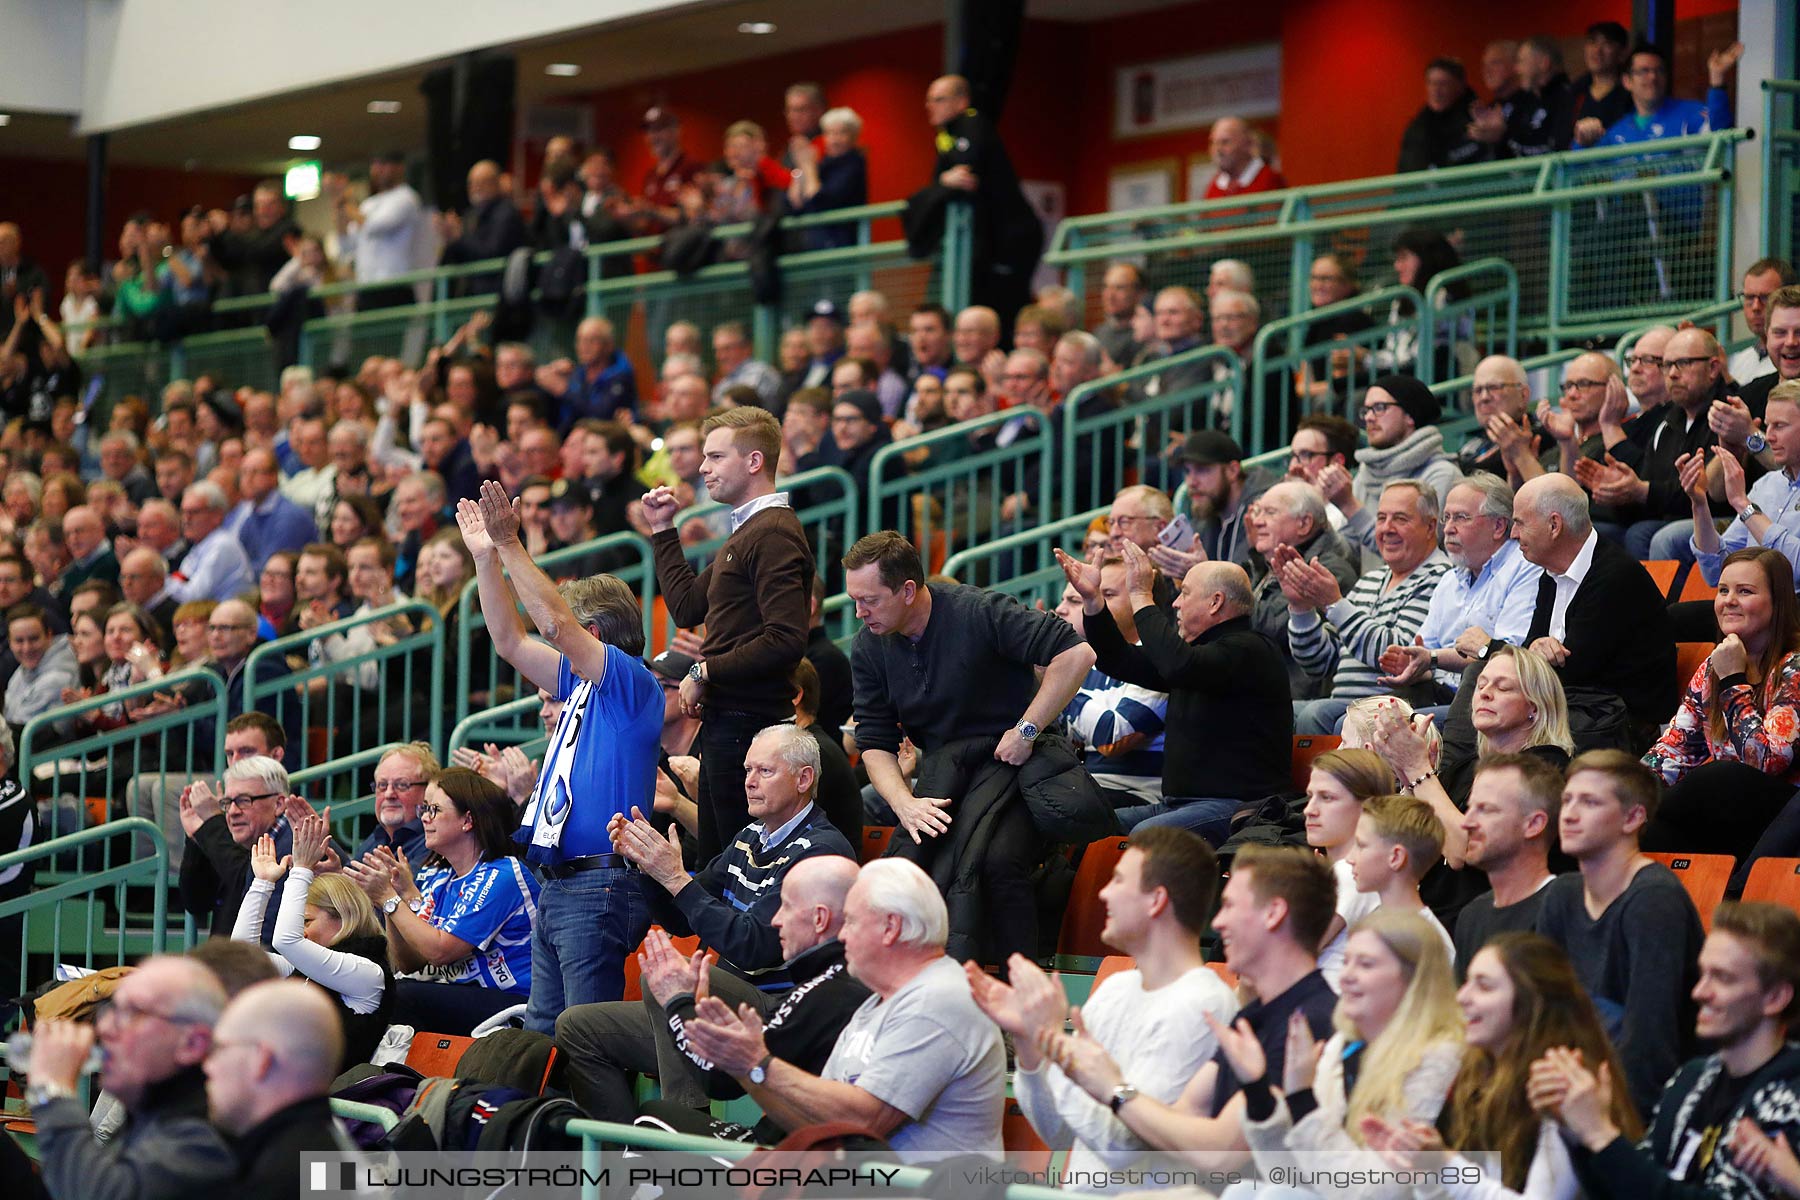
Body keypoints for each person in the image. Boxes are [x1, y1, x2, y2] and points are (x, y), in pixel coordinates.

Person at [555, 723, 853, 1123]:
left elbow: (756, 946)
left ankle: (686, 1127)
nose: (749, 782)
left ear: (804, 779)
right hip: (720, 1005)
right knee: (578, 1026)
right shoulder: (750, 837)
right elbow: (681, 918)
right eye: (747, 770)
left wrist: (676, 877)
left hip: (780, 1012)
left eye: (764, 771)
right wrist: (647, 867)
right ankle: (617, 1159)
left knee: (667, 981)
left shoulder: (820, 850)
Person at [457, 479, 661, 1032]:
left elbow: (550, 624)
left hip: (600, 885)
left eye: (568, 631)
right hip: (558, 882)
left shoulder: (630, 683)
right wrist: (489, 556)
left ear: (589, 632)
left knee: (584, 1038)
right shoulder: (578, 682)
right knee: (548, 1036)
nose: (555, 641)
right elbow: (509, 640)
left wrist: (513, 544)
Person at [847, 531, 1097, 966]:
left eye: (869, 600)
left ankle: (1022, 984)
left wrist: (1026, 729)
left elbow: (1076, 654)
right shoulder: (868, 646)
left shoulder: (978, 610)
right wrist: (904, 802)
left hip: (1019, 763)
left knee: (996, 862)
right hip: (947, 772)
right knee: (905, 870)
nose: (858, 612)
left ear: (908, 590)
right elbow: (874, 741)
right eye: (854, 599)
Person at [1034, 846, 1340, 1171]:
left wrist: (1112, 1087)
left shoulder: (1308, 1022)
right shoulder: (1257, 1013)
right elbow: (1184, 1114)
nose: (1218, 923)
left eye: (1229, 906)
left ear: (1274, 913)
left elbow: (1220, 1153)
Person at [681, 857, 1006, 1159]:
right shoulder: (875, 1003)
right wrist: (746, 1068)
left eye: (850, 921)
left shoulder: (938, 999)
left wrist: (759, 1064)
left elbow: (864, 1122)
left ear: (890, 927)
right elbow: (817, 1122)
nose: (843, 936)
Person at [976, 826, 1237, 1181]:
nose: (1103, 893)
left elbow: (1122, 1148)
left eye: (1117, 881)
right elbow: (1057, 1132)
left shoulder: (1201, 1006)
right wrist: (1031, 1045)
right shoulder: (1116, 988)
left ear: (1156, 900)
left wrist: (1056, 1042)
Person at [1536, 902, 1800, 1200]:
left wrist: (1600, 1134)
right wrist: (1579, 1132)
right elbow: (1633, 1189)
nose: (1700, 992)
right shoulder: (1691, 1078)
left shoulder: (1790, 1098)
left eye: (1723, 978)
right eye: (1702, 974)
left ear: (1775, 998)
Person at [643, 407, 814, 863]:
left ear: (754, 462)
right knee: (719, 860)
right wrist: (663, 529)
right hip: (729, 722)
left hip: (747, 723)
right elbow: (687, 607)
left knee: (737, 864)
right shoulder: (749, 532)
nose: (703, 469)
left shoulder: (774, 533)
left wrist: (705, 668)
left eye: (715, 457)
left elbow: (785, 638)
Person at [1363, 931, 1642, 1197]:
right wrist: (1423, 1168)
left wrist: (1444, 1165)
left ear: (1531, 1002)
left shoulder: (1568, 1086)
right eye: (1467, 982)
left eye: (1483, 986)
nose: (1462, 996)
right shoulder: (1480, 1074)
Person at [1209, 909, 1464, 1183]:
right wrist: (1257, 1088)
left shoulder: (1437, 1055)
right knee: (1248, 1189)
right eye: (1346, 962)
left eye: (1365, 964)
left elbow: (1376, 1189)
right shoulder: (1344, 1043)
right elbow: (1288, 1171)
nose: (1346, 977)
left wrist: (1303, 1099)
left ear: (1413, 979)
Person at [1057, 543, 1289, 844]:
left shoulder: (1251, 650)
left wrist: (1142, 595)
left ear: (1216, 602)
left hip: (1239, 806)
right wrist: (1093, 602)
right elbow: (1119, 660)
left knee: (1144, 837)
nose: (1176, 604)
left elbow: (1178, 664)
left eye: (1186, 593)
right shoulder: (1198, 657)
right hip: (1178, 803)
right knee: (1083, 825)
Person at [633, 856, 870, 1143]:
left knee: (653, 1118)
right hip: (799, 1147)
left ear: (820, 918)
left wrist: (677, 1003)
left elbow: (719, 1079)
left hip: (783, 1161)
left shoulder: (829, 990)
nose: (776, 919)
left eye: (787, 906)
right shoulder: (843, 980)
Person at [1536, 749, 1706, 1115]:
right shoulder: (1561, 895)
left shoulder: (1654, 899)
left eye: (1590, 802)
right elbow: (1545, 1014)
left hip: (1640, 1107)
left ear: (1632, 818)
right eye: (1567, 800)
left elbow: (1650, 1041)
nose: (1570, 814)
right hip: (1572, 1090)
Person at [10, 956, 235, 1200]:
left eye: (134, 1014)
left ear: (192, 1043)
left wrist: (54, 1093)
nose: (106, 1028)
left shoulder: (204, 1137)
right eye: (113, 1011)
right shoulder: (148, 1117)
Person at [344, 767, 540, 1033]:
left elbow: (439, 952)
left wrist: (390, 899)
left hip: (518, 1004)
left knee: (402, 995)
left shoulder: (502, 874)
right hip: (470, 996)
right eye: (424, 809)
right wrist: (395, 897)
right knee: (383, 987)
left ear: (467, 820)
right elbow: (408, 962)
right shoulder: (442, 879)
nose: (425, 818)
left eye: (434, 809)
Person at [1644, 547, 1800, 876]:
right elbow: (1675, 747)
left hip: (1782, 819)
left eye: (1745, 591)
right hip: (1724, 814)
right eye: (1723, 590)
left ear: (1778, 603)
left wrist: (1732, 681)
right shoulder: (1713, 666)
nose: (1728, 600)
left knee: (1720, 778)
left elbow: (1768, 762)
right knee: (1640, 829)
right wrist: (1625, 790)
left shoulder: (1794, 667)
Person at [1508, 473, 1677, 749]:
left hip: (1621, 725)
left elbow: (1574, 671)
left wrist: (1518, 656)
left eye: (1519, 523)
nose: (1513, 534)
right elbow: (1532, 652)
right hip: (1574, 710)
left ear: (1554, 525)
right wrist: (1537, 650)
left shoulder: (1615, 577)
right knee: (1482, 687)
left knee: (1505, 717)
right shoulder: (1551, 574)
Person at [1286, 481, 1450, 734]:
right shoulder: (1371, 579)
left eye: (1400, 519)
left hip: (1393, 704)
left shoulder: (1440, 577)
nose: (1386, 529)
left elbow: (1399, 654)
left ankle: (1324, 776)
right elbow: (1320, 663)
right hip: (1341, 703)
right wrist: (1300, 609)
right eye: (1381, 518)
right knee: (1271, 709)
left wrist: (1335, 604)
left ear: (1430, 526)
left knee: (1315, 714)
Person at [233, 809, 391, 1067]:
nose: (302, 931)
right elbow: (241, 960)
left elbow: (287, 940)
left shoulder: (368, 973)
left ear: (342, 917)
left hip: (330, 1095)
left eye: (307, 921)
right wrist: (262, 882)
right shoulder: (303, 969)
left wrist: (302, 869)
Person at [1377, 474, 1542, 700]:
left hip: (1492, 698)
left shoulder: (1525, 568)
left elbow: (1508, 655)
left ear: (1499, 526)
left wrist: (1432, 658)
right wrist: (1411, 663)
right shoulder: (1449, 580)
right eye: (1447, 518)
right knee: (1356, 719)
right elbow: (1425, 648)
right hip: (1443, 693)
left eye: (1461, 518)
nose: (1448, 529)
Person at [203, 980, 357, 1197]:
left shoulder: (281, 1180)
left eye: (219, 1048)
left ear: (260, 1060)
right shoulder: (325, 1156)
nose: (208, 1065)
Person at [916, 74, 1042, 338]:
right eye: (928, 100)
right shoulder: (947, 136)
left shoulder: (972, 124)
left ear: (961, 102)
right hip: (992, 241)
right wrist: (943, 180)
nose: (930, 106)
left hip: (1011, 239)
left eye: (938, 100)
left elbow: (965, 174)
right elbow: (947, 180)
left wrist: (946, 181)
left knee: (1004, 309)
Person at [1451, 754, 1563, 976]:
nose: (1466, 822)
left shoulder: (1564, 910)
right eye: (1470, 807)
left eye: (1486, 809)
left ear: (1533, 824)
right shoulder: (1471, 915)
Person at [1330, 375, 1463, 556]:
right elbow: (1349, 552)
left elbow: (1414, 551)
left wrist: (1349, 506)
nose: (1369, 417)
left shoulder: (1443, 475)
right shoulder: (1366, 474)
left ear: (1410, 415)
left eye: (1379, 408)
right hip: (1376, 584)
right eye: (1366, 410)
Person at [1690, 381, 1800, 591]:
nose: (1768, 436)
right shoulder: (1767, 484)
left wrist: (1743, 505)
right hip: (1753, 603)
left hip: (1791, 609)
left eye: (1780, 425)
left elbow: (1795, 568)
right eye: (1767, 426)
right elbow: (1717, 570)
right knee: (1679, 616)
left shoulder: (1749, 498)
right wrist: (1699, 504)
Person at [178, 756, 297, 940]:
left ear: (279, 804)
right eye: (227, 803)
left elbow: (269, 938)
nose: (232, 811)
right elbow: (196, 902)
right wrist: (197, 836)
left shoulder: (292, 848)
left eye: (244, 800)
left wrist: (211, 824)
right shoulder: (250, 841)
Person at [1302, 747, 1392, 988]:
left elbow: (1291, 956)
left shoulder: (1351, 874)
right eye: (1310, 795)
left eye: (1327, 797)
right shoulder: (1351, 871)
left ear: (1367, 806)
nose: (1309, 809)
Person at [1349, 794, 1458, 960]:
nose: (1350, 859)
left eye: (1361, 846)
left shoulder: (1427, 945)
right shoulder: (1373, 922)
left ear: (1396, 857)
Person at [224, 450, 317, 574]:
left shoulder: (289, 517)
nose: (248, 479)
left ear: (273, 476)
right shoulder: (251, 513)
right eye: (244, 472)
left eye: (255, 472)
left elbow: (270, 571)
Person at [351, 741, 436, 865]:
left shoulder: (434, 841)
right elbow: (352, 877)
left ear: (427, 791)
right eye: (382, 785)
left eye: (401, 785)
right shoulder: (379, 835)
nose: (389, 794)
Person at [167, 482, 252, 603]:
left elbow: (193, 598)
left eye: (194, 512)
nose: (186, 519)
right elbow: (181, 580)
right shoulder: (199, 545)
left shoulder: (222, 545)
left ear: (216, 516)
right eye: (184, 512)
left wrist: (160, 581)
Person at [1398, 58, 1484, 172]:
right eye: (1431, 83)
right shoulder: (1417, 128)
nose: (1436, 91)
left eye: (1443, 84)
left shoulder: (1480, 120)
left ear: (1459, 86)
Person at [1728, 258, 1797, 386]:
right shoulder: (1738, 361)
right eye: (1749, 297)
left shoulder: (1793, 361)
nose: (1755, 307)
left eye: (1766, 297)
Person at [1203, 115, 1287, 198]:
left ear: (1247, 144)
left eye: (1225, 142)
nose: (1218, 150)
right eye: (1213, 143)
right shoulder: (1214, 187)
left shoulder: (1270, 180)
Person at [1092, 262, 1147, 369]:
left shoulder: (1144, 337)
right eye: (1106, 287)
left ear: (1140, 293)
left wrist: (1118, 382)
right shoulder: (1100, 332)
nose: (1110, 295)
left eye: (1119, 288)